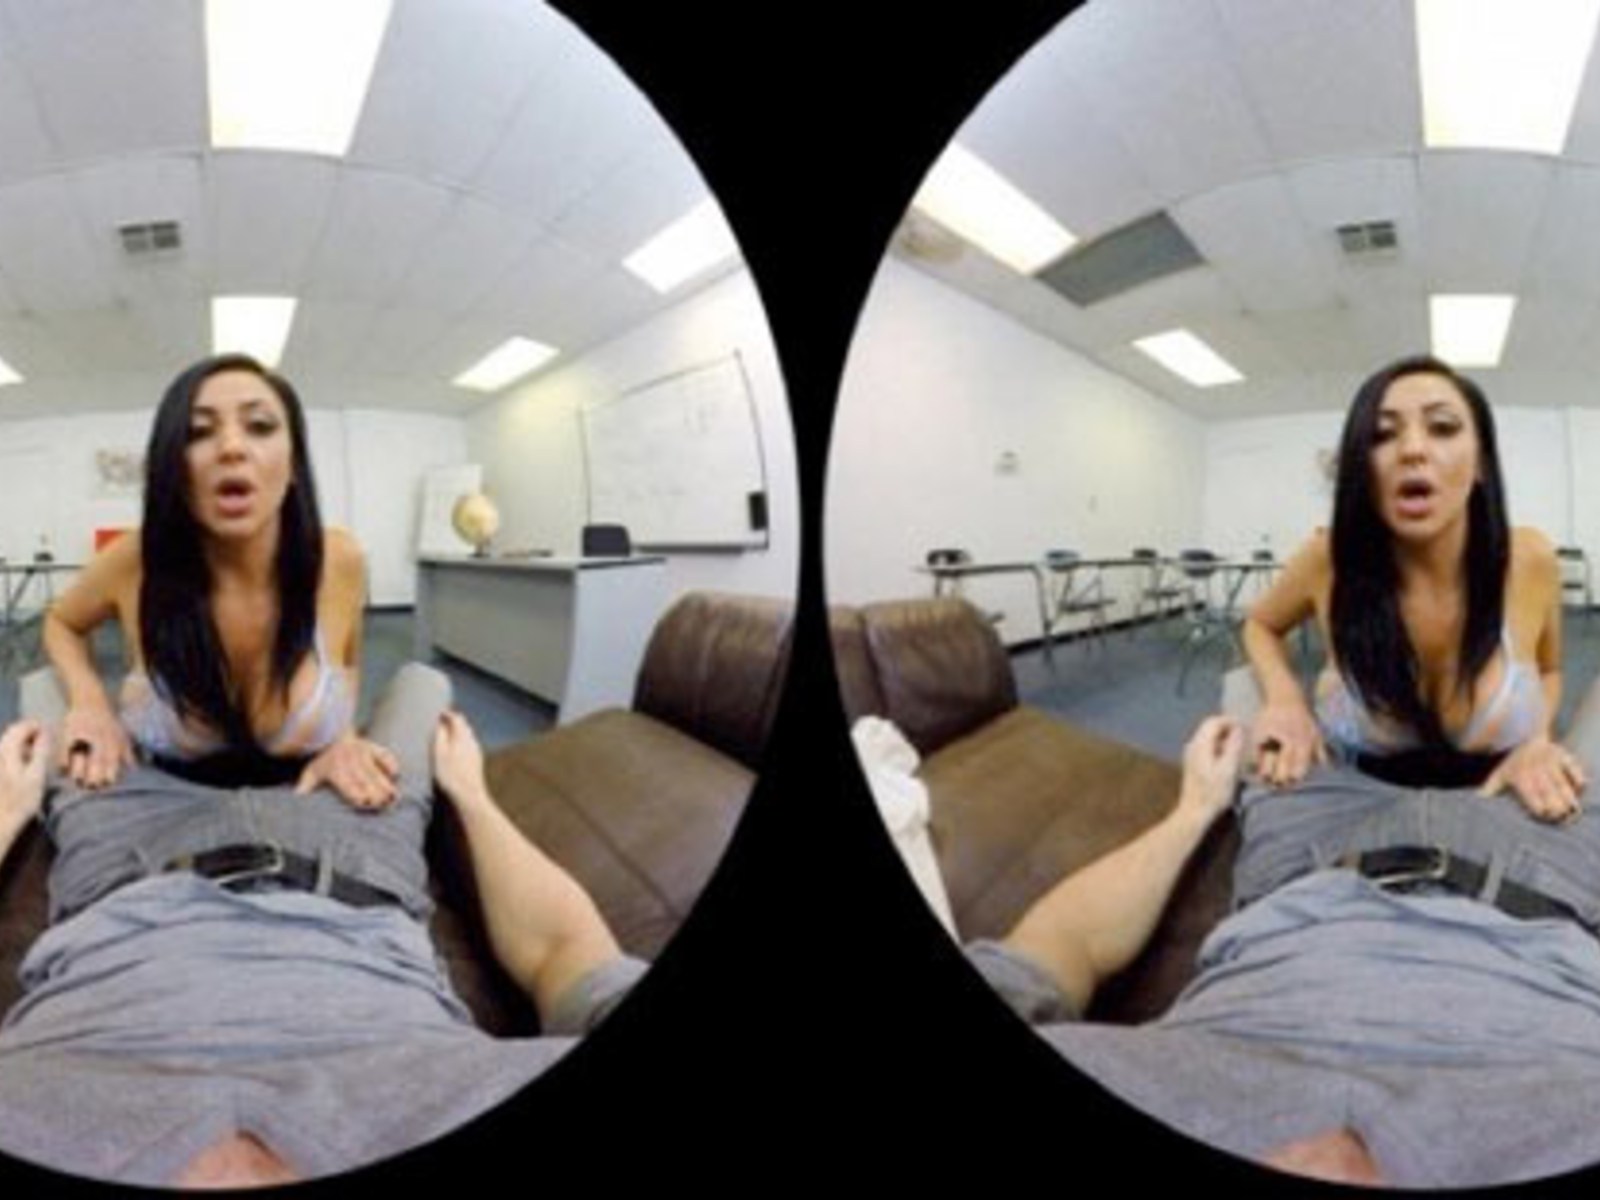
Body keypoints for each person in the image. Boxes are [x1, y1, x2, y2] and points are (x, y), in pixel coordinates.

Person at [0, 667, 643, 1189]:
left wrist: (7, 811)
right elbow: (568, 953)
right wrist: (472, 797)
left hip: (123, 862)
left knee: (39, 690)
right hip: (355, 850)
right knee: (423, 684)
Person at [971, 715, 1600, 1188]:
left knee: (1267, 751)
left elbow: (1058, 947)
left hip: (1309, 858)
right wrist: (1536, 743)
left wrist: (1195, 808)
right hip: (1540, 893)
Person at [41, 353, 398, 808]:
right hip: (161, 806)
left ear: (293, 464)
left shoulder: (339, 559)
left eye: (260, 426)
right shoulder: (135, 559)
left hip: (306, 799)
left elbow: (347, 663)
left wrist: (342, 737)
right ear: (174, 468)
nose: (231, 447)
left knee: (425, 696)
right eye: (198, 432)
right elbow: (62, 622)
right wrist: (90, 702)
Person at [1239, 354, 1583, 822]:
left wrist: (1537, 740)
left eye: (1442, 427)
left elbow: (1550, 671)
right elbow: (1259, 624)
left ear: (1481, 462)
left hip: (1498, 803)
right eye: (1382, 435)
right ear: (1362, 468)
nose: (1412, 449)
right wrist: (1285, 700)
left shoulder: (1531, 560)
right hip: (1353, 802)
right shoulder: (1328, 558)